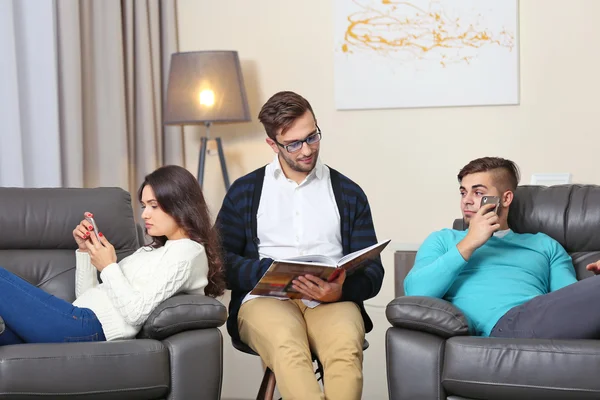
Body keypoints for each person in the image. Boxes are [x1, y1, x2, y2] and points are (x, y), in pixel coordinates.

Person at [216, 91, 384, 400]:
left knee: (345, 350)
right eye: (293, 144)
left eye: (312, 137)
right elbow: (219, 262)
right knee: (287, 347)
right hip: (265, 300)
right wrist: (266, 271)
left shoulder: (348, 193)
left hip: (331, 301)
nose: (306, 150)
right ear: (272, 144)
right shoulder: (245, 192)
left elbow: (373, 270)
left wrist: (341, 291)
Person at [0, 165, 225, 346]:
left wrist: (108, 266)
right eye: (144, 205)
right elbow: (87, 298)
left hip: (88, 326)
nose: (145, 214)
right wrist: (86, 252)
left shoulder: (188, 252)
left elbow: (136, 314)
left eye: (154, 206)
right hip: (78, 317)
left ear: (180, 205)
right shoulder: (151, 251)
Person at [404, 156, 600, 339]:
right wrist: (470, 242)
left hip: (541, 317)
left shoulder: (545, 245)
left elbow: (567, 299)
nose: (467, 200)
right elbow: (415, 293)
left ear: (505, 199)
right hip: (503, 326)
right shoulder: (444, 240)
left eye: (478, 192)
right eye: (463, 192)